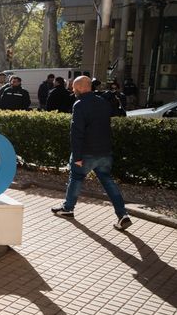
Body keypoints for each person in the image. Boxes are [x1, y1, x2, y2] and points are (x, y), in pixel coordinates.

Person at [52, 76, 131, 231]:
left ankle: (68, 209)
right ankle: (123, 214)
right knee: (108, 181)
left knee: (76, 178)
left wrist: (77, 156)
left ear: (81, 88)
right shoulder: (103, 102)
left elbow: (76, 132)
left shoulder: (79, 104)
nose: (72, 90)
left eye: (74, 88)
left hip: (86, 152)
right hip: (105, 152)